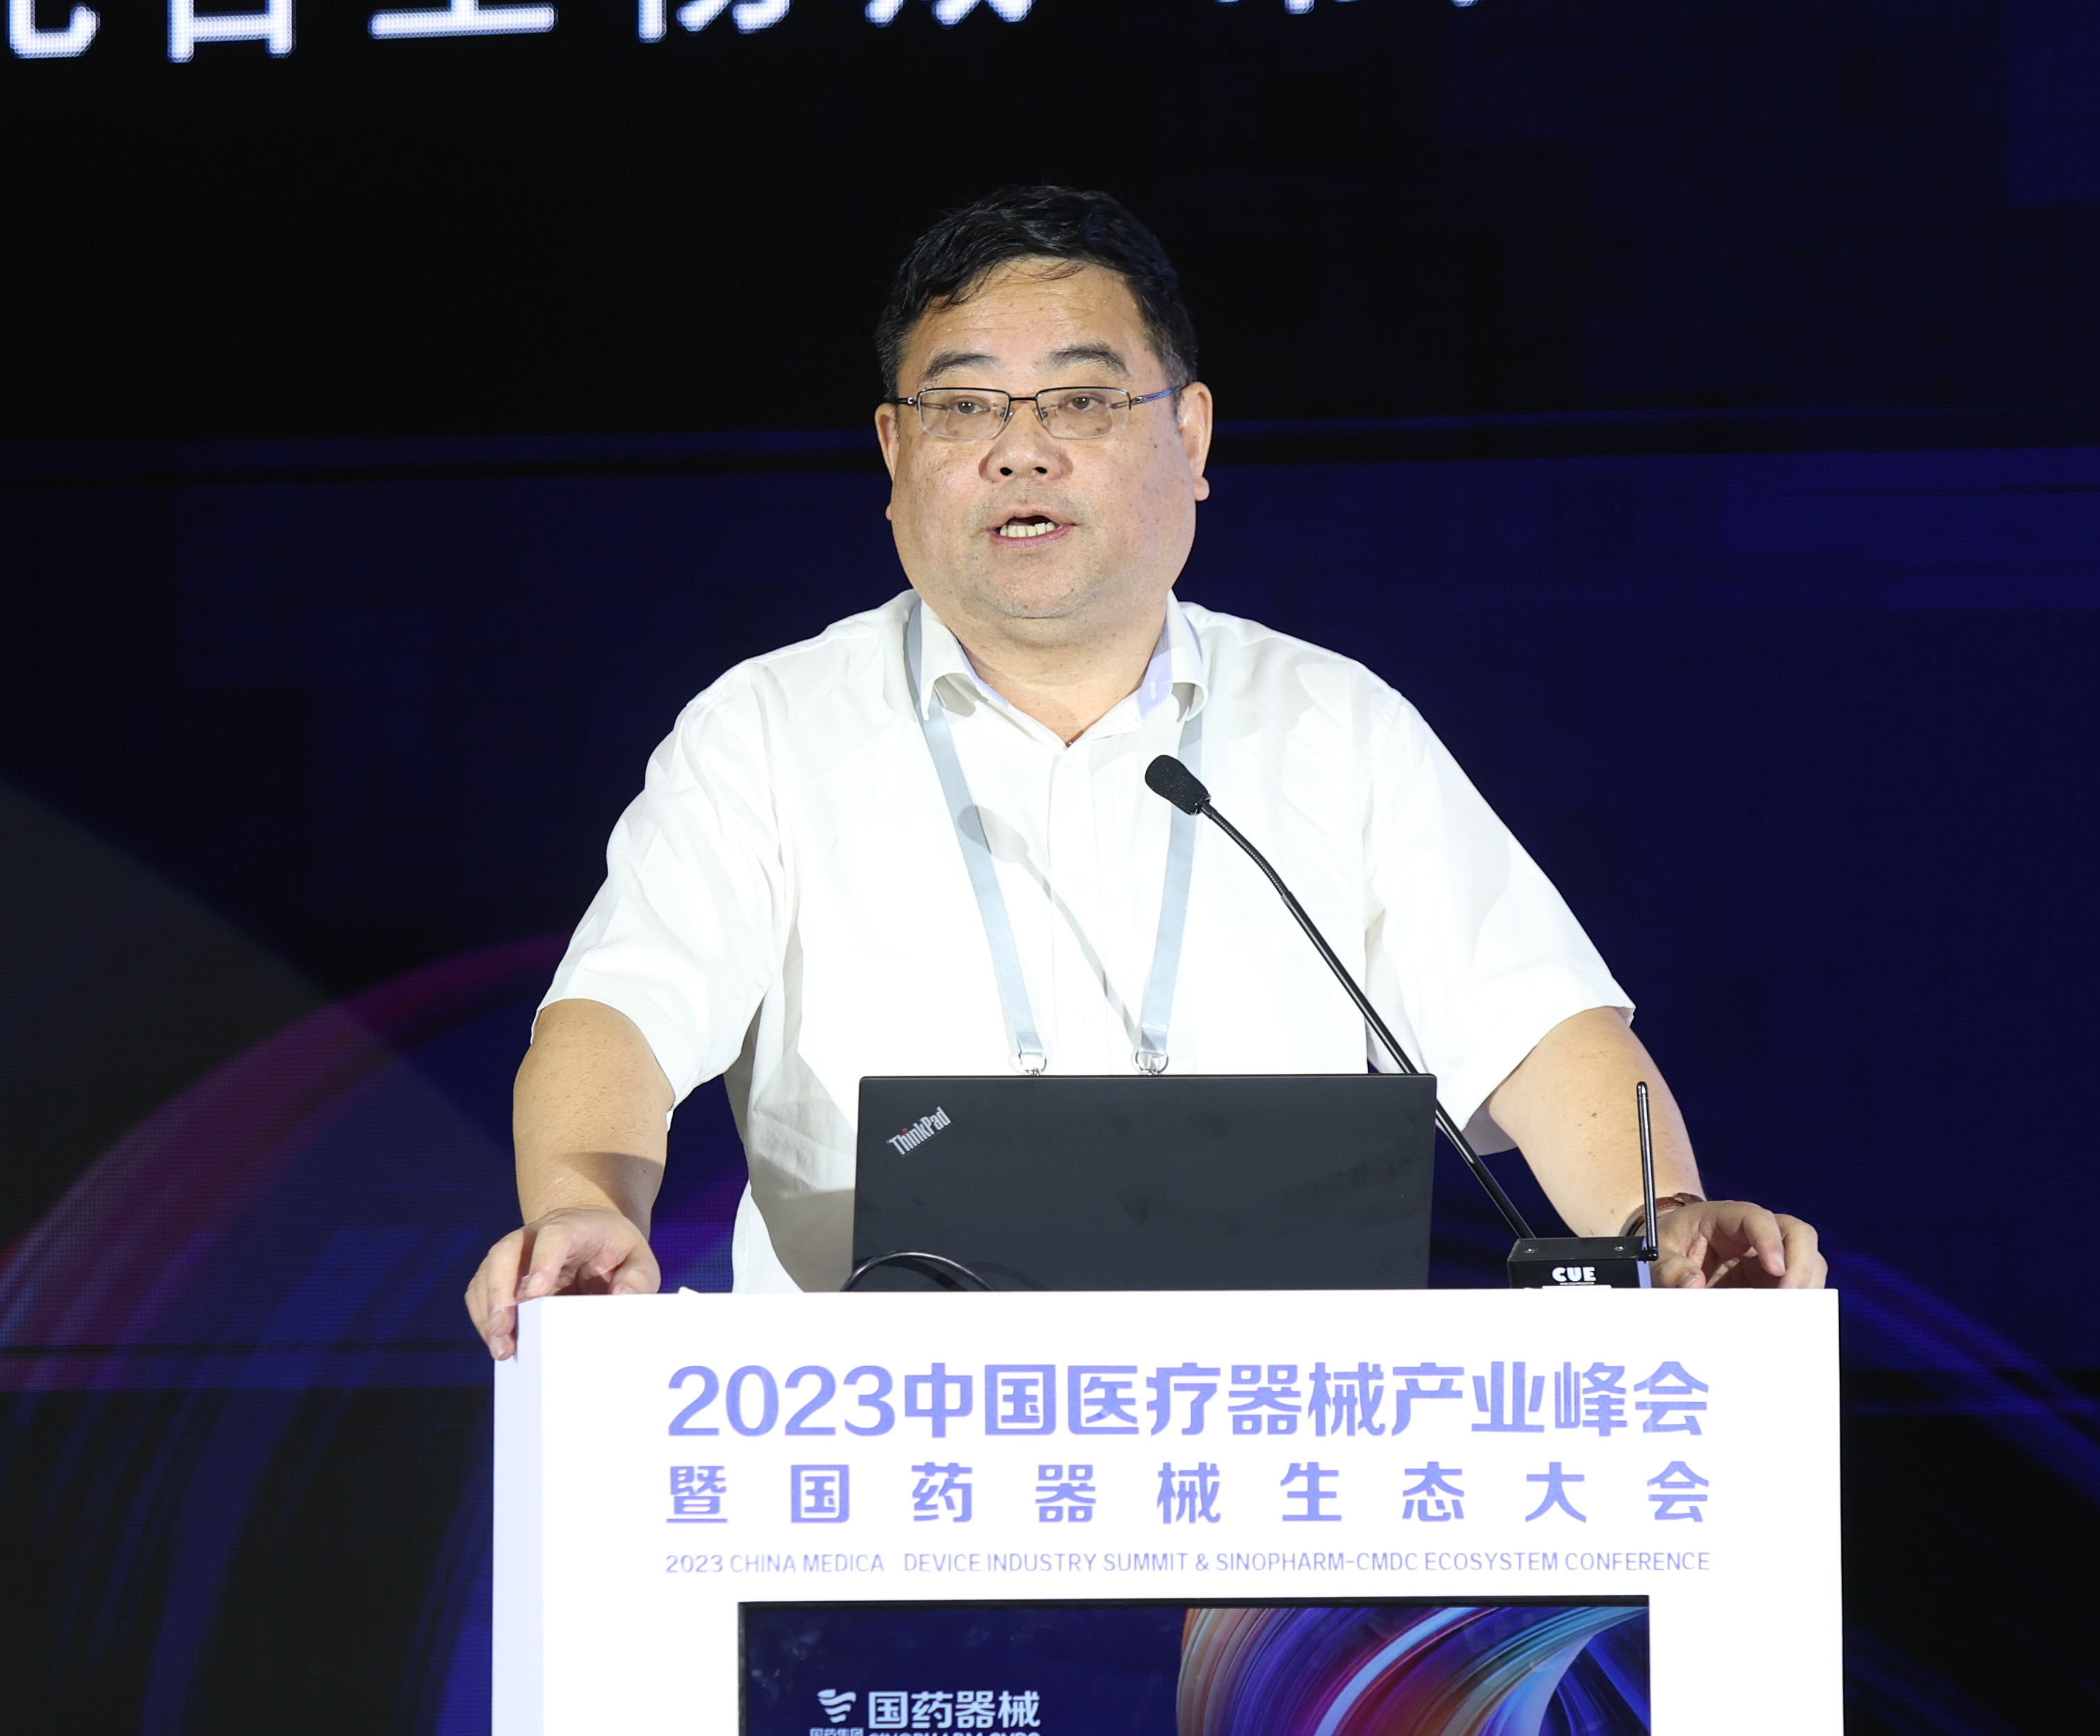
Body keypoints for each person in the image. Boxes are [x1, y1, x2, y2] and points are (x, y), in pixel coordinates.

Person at [465, 186, 1824, 1358]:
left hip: (1276, 1455)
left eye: (1081, 399)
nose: (1020, 446)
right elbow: (617, 1017)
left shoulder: (1331, 724)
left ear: (1193, 437)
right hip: (877, 1451)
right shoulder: (767, 729)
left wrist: (1663, 1223)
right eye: (962, 406)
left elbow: (1531, 1025)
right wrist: (583, 1211)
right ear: (894, 454)